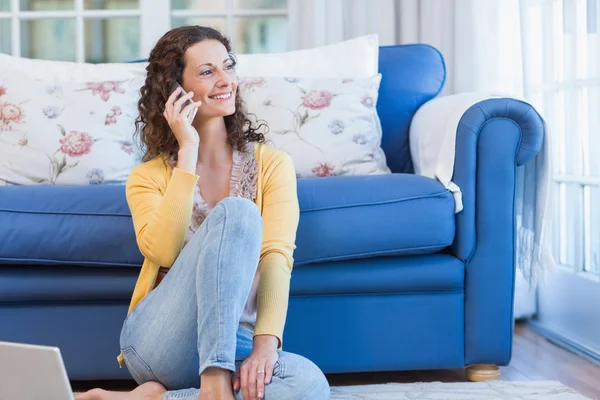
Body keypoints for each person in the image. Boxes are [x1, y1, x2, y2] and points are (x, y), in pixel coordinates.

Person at [75, 26, 330, 400]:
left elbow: (277, 257)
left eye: (228, 66)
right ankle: (212, 382)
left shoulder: (273, 165)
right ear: (175, 90)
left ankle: (152, 398)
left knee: (309, 385)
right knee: (237, 214)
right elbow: (161, 252)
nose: (225, 80)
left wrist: (264, 348)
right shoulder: (147, 177)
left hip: (236, 340)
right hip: (159, 341)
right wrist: (188, 149)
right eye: (207, 71)